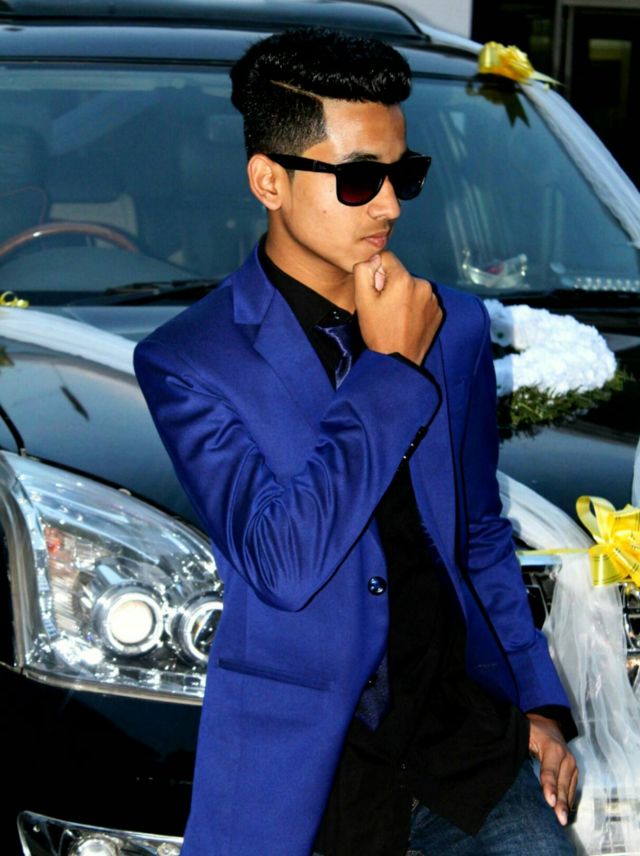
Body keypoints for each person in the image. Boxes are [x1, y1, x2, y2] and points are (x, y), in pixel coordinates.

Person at [134, 27, 578, 856]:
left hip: (463, 751)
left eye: (403, 175)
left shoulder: (453, 325)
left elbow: (478, 534)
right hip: (307, 772)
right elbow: (283, 561)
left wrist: (538, 704)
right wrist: (389, 370)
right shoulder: (189, 360)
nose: (390, 206)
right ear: (269, 180)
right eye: (360, 179)